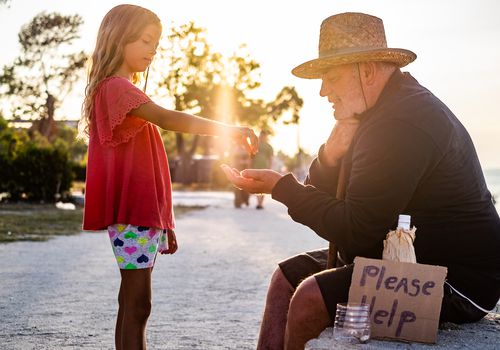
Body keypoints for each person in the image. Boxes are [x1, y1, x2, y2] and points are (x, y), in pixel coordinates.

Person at [221, 12, 500, 350]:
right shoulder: (374, 112)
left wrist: (281, 188)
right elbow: (325, 199)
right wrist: (330, 156)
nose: (323, 92)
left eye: (332, 78)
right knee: (285, 279)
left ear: (366, 71)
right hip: (395, 251)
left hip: (457, 280)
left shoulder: (399, 123)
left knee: (309, 296)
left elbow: (354, 231)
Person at [79, 5, 257, 350]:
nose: (152, 50)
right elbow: (170, 118)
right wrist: (230, 129)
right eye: (146, 40)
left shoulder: (119, 89)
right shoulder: (117, 89)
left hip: (143, 215)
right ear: (119, 38)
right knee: (138, 305)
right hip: (133, 214)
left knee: (131, 302)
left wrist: (165, 223)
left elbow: (145, 167)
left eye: (156, 44)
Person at [251, 131, 274, 209]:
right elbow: (251, 156)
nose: (262, 137)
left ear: (266, 136)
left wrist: (270, 168)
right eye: (261, 135)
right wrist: (250, 165)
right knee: (256, 185)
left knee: (263, 186)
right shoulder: (255, 145)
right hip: (255, 167)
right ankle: (258, 203)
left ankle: (260, 203)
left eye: (264, 136)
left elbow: (271, 158)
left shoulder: (269, 146)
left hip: (265, 167)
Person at [232, 143, 252, 208]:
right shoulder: (235, 148)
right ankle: (238, 202)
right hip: (236, 168)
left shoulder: (246, 148)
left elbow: (249, 159)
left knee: (245, 185)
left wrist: (245, 163)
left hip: (244, 169)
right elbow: (232, 159)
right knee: (236, 186)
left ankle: (246, 200)